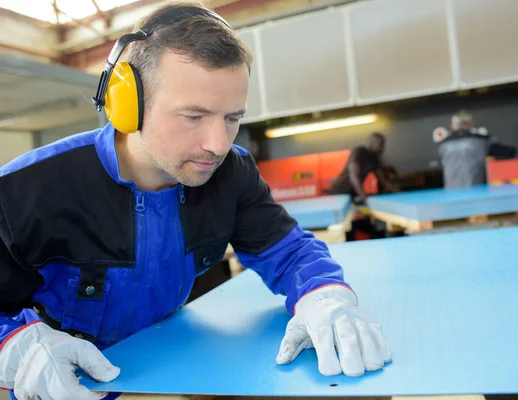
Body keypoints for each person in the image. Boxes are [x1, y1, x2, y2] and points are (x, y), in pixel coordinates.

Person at [0, 3, 391, 400]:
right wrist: (17, 346)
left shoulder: (231, 173)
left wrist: (323, 295)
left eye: (232, 118)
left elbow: (289, 252)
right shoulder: (26, 190)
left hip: (172, 364)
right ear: (127, 104)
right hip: (65, 383)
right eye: (193, 117)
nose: (218, 145)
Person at [436, 110, 517, 189]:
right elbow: (510, 152)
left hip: (451, 195)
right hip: (476, 194)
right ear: (470, 124)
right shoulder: (481, 140)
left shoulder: (443, 145)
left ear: (452, 126)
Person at [326, 133, 398, 202]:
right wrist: (363, 196)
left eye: (383, 144)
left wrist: (398, 192)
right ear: (372, 143)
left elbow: (383, 181)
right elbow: (353, 176)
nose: (382, 147)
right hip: (338, 192)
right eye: (381, 144)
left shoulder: (375, 159)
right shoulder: (359, 152)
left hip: (351, 194)